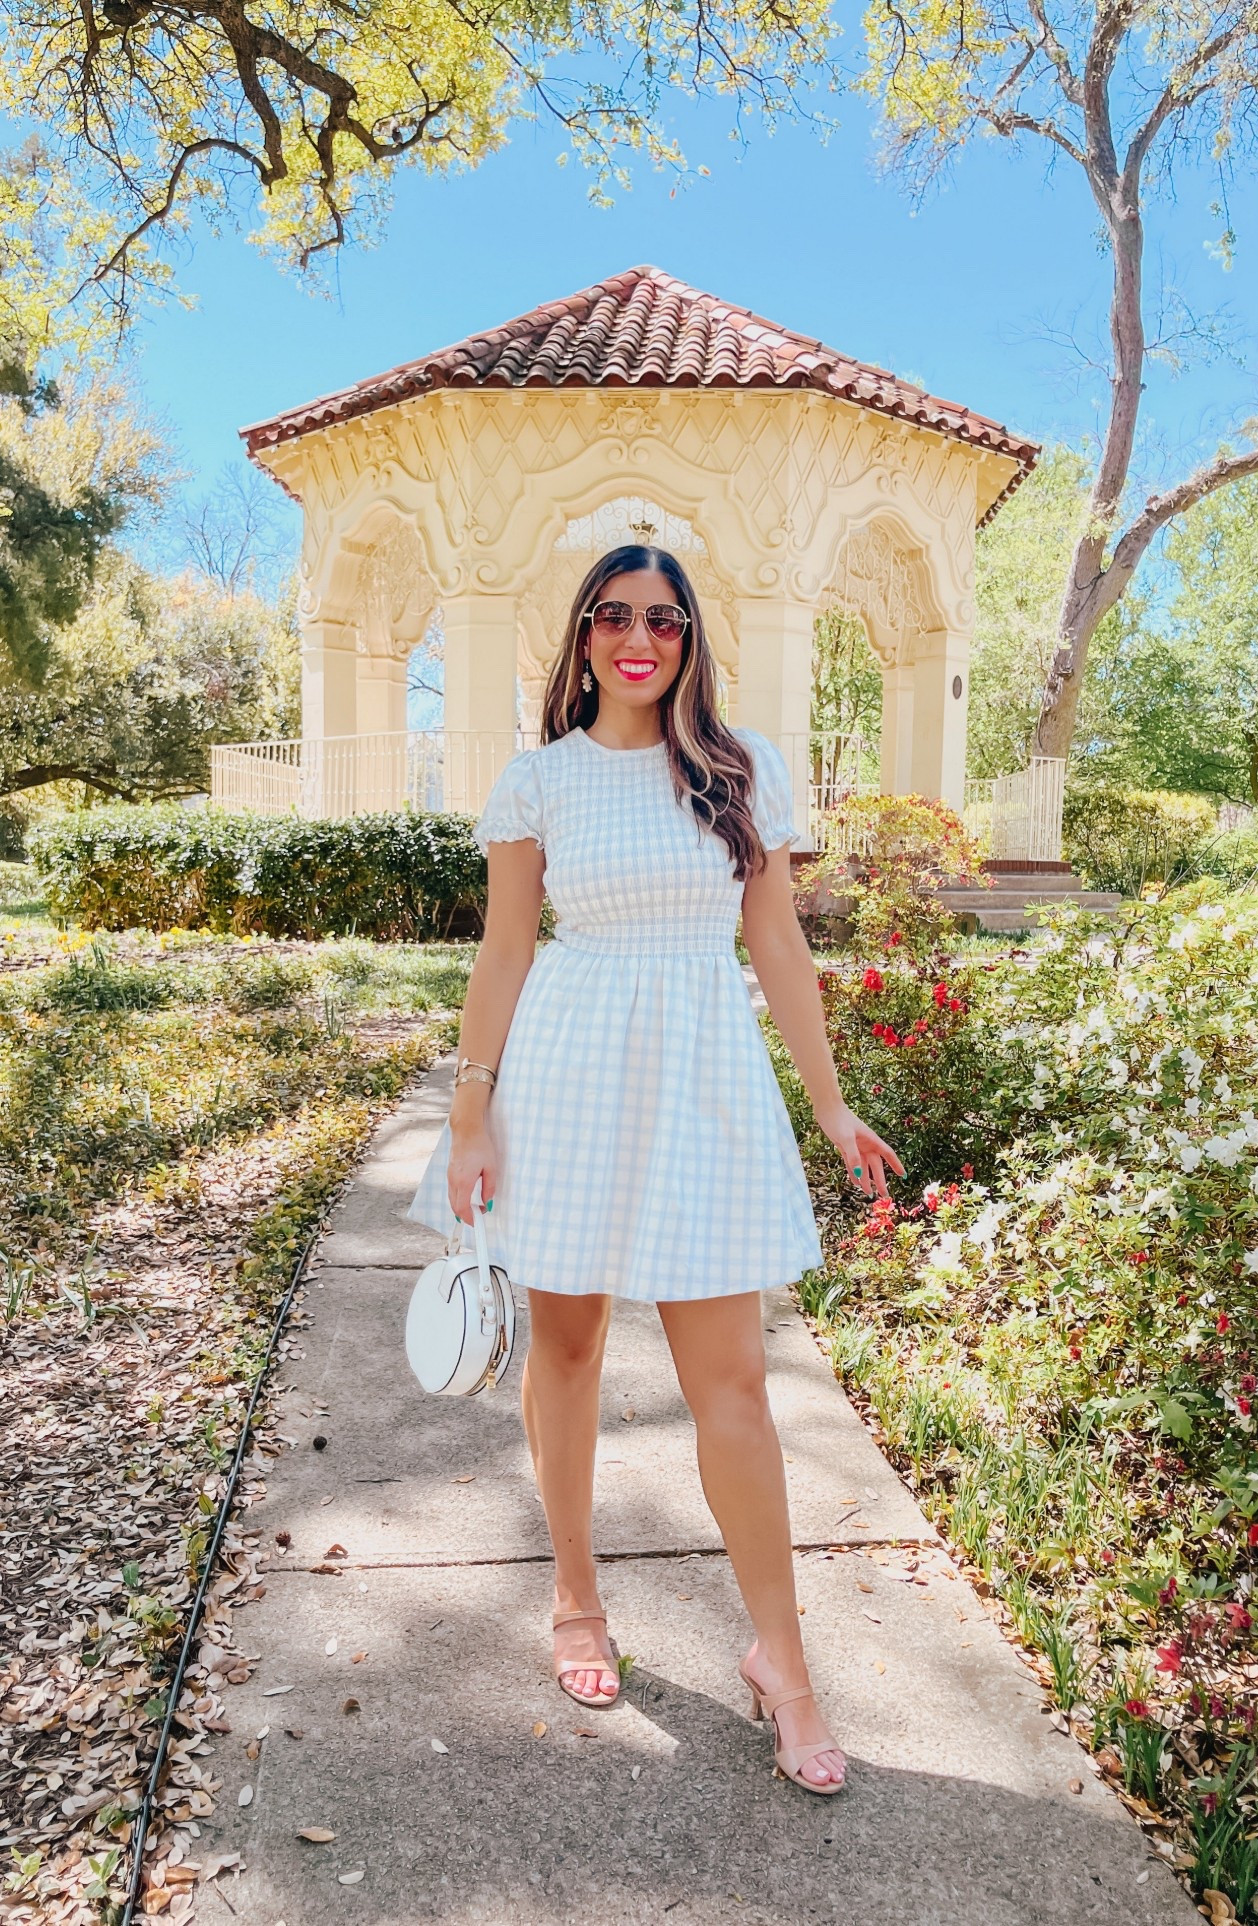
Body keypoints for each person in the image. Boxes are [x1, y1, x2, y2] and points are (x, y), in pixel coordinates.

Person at [409, 543, 903, 1796]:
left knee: (732, 1381)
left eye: (665, 619)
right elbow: (504, 955)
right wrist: (471, 1114)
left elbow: (780, 946)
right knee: (565, 1348)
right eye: (616, 617)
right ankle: (575, 1594)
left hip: (704, 1081)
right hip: (566, 1073)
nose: (641, 638)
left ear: (689, 638)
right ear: (582, 637)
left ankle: (780, 1659)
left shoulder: (740, 772)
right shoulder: (540, 781)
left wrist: (833, 1109)